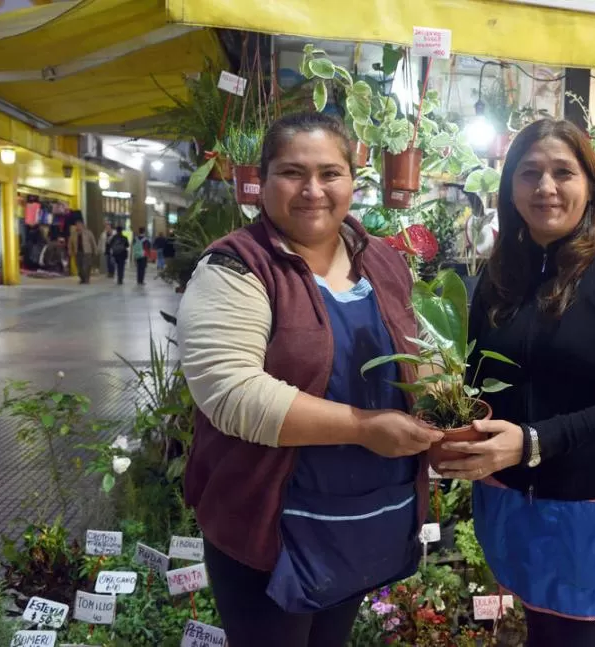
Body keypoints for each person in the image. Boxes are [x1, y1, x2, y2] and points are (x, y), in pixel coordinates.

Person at [176, 112, 442, 647]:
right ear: (263, 179)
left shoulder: (384, 263)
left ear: (353, 180)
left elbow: (421, 358)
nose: (313, 190)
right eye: (292, 173)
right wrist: (365, 427)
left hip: (362, 518)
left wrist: (443, 414)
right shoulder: (237, 267)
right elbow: (232, 393)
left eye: (330, 173)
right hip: (268, 529)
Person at [437, 119, 595, 647]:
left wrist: (533, 440)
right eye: (530, 173)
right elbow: (478, 372)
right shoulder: (504, 269)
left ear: (590, 184)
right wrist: (453, 425)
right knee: (541, 628)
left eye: (563, 172)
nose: (546, 187)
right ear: (510, 187)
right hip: (515, 496)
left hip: (594, 506)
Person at [68, 220, 98, 284]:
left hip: (87, 252)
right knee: (79, 267)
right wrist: (70, 250)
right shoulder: (73, 233)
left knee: (86, 266)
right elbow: (70, 243)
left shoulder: (88, 233)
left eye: (79, 225)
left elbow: (93, 242)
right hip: (78, 252)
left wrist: (95, 250)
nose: (78, 226)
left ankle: (86, 279)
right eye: (77, 225)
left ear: (82, 225)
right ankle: (82, 278)